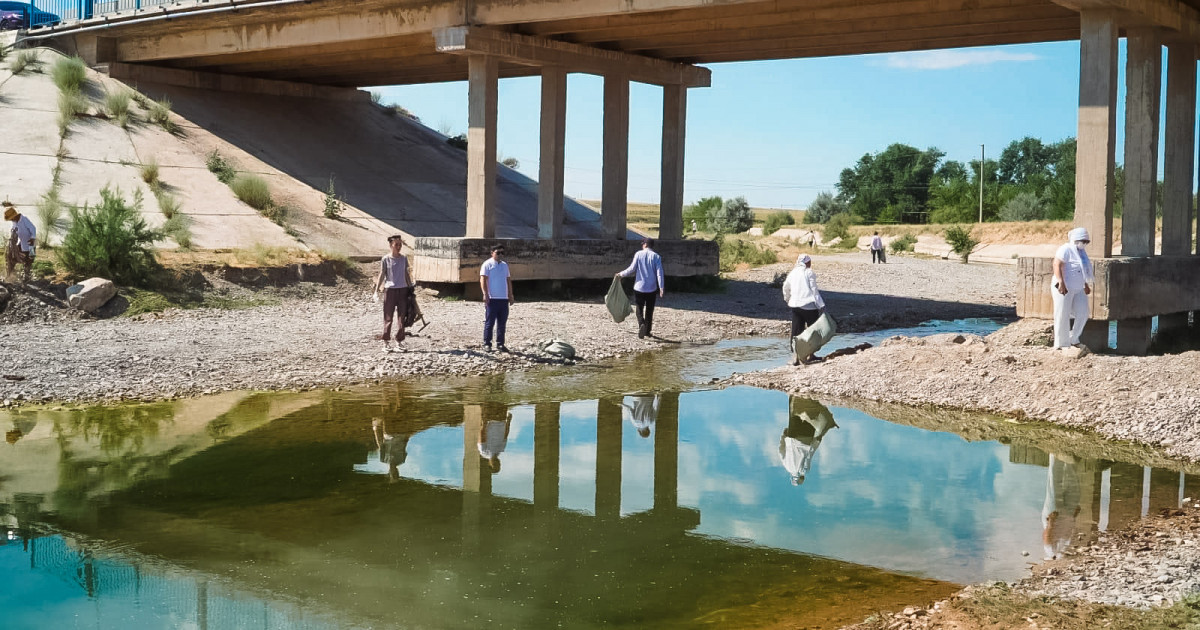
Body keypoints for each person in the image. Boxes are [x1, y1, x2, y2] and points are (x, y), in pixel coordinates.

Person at [1051, 227, 1093, 350]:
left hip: (1078, 287)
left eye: (1086, 241)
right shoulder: (1065, 249)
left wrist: (1085, 285)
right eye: (1082, 241)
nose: (1084, 244)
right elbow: (1056, 264)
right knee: (1062, 314)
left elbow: (1081, 270)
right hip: (1064, 287)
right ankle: (1061, 343)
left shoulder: (1081, 252)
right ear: (1075, 239)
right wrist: (1061, 282)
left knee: (1083, 313)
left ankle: (1074, 339)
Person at [779, 397, 837, 486]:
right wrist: (784, 435)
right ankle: (797, 396)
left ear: (801, 477)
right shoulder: (787, 467)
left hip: (806, 438)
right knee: (796, 412)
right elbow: (780, 450)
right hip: (792, 436)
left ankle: (810, 398)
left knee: (810, 416)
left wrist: (817, 441)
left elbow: (809, 454)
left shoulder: (803, 470)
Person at [615, 237, 665, 339]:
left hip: (639, 287)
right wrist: (661, 287)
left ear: (646, 245)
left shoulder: (638, 254)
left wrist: (620, 274)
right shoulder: (657, 257)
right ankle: (647, 331)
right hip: (652, 288)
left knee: (639, 308)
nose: (642, 245)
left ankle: (641, 324)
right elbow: (660, 274)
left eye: (643, 244)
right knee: (650, 310)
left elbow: (631, 269)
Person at [781, 253, 825, 364]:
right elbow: (814, 290)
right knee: (812, 331)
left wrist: (788, 299)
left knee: (796, 331)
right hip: (809, 306)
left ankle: (796, 358)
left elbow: (785, 287)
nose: (810, 264)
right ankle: (811, 355)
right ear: (807, 263)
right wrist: (821, 305)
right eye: (809, 262)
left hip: (795, 306)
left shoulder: (793, 273)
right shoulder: (809, 272)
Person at [373, 234, 414, 352]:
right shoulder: (386, 259)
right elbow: (382, 274)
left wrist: (410, 287)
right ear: (391, 245)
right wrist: (376, 290)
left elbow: (406, 274)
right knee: (388, 316)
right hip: (390, 290)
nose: (399, 246)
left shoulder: (404, 258)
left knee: (402, 317)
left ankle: (399, 341)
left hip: (403, 290)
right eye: (396, 244)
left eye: (400, 244)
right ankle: (386, 342)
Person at [1041, 453, 1082, 559]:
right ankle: (1070, 459)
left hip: (1053, 517)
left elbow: (1047, 538)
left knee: (1054, 484)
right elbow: (1068, 532)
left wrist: (1051, 522)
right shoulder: (1066, 548)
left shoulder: (1052, 553)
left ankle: (1054, 455)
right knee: (1074, 488)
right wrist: (1074, 517)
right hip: (1068, 516)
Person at [480, 243, 514, 352]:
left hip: (503, 298)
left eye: (502, 253)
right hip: (492, 298)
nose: (500, 255)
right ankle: (487, 343)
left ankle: (500, 344)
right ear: (492, 253)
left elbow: (508, 280)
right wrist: (485, 293)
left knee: (502, 323)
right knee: (490, 322)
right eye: (498, 253)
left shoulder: (504, 265)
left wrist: (510, 294)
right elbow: (483, 279)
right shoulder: (487, 264)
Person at [371, 417, 413, 482]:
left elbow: (380, 443)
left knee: (387, 433)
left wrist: (375, 430)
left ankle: (384, 417)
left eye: (393, 474)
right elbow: (404, 445)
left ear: (389, 472)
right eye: (396, 474)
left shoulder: (383, 459)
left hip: (389, 436)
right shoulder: (402, 460)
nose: (394, 471)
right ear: (398, 471)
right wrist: (408, 435)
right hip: (400, 436)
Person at [4, 201, 36, 284]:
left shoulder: (24, 219)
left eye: (11, 218)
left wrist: (32, 238)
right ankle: (11, 275)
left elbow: (33, 228)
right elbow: (14, 231)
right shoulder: (15, 222)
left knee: (28, 260)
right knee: (13, 257)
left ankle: (27, 277)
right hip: (20, 243)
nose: (11, 220)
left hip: (30, 244)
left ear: (14, 216)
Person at [478, 408, 513, 474]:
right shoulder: (501, 449)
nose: (497, 463)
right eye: (499, 465)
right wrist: (508, 422)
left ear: (489, 464)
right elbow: (505, 435)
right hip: (502, 419)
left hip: (491, 420)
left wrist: (484, 421)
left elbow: (481, 435)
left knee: (491, 402)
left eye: (495, 465)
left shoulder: (484, 452)